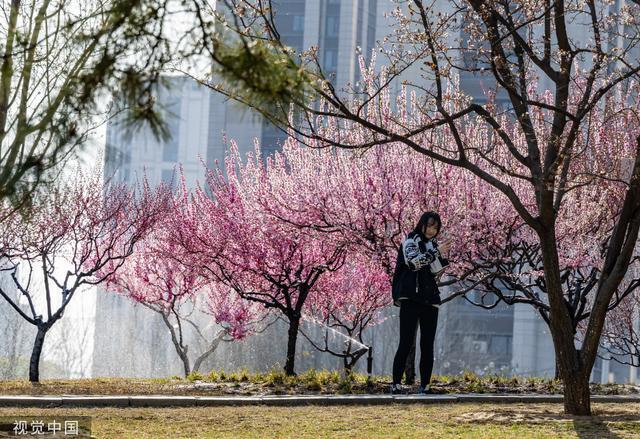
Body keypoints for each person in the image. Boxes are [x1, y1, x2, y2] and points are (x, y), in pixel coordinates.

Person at [390, 211, 450, 395]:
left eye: (435, 227)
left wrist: (440, 256)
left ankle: (425, 385)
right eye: (429, 225)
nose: (432, 230)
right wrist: (436, 252)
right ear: (421, 224)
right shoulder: (410, 241)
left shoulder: (432, 245)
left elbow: (435, 269)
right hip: (411, 297)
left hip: (430, 299)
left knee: (427, 344)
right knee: (406, 342)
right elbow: (414, 263)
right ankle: (396, 384)